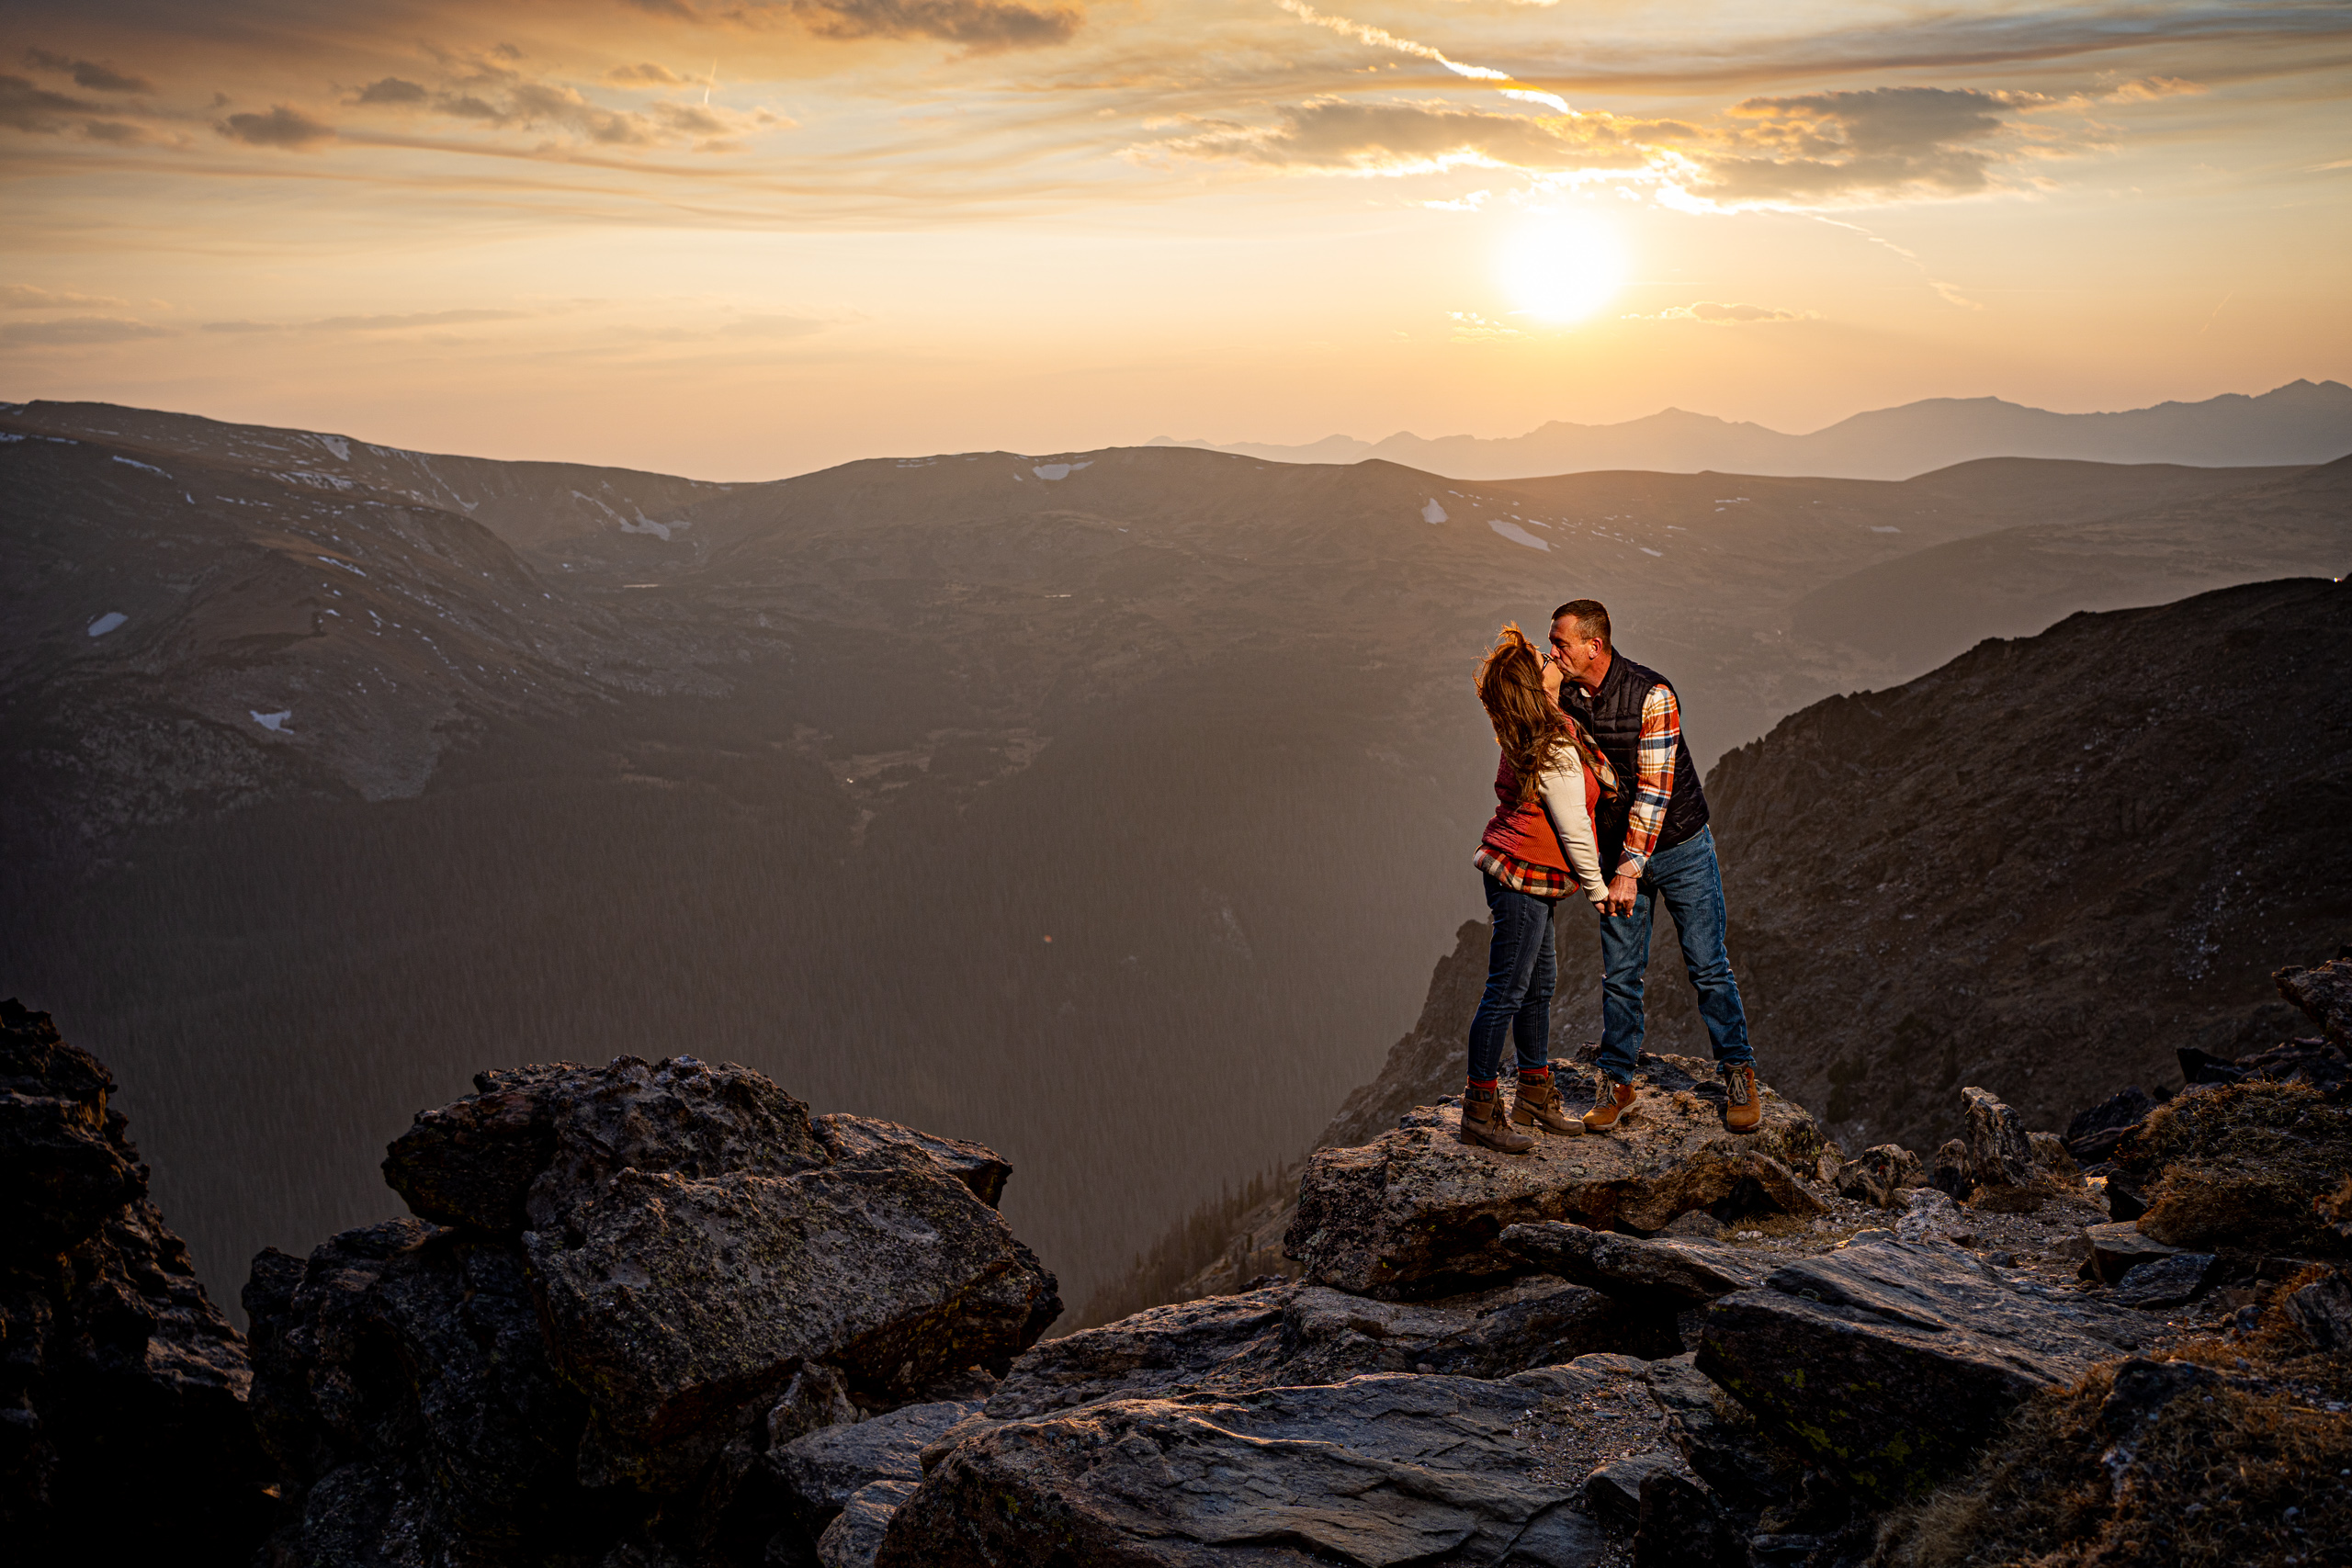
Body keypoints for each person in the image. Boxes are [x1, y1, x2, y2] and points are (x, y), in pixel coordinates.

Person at [1547, 599, 1762, 1134]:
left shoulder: (1652, 694)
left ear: (1594, 645)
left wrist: (1626, 869)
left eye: (1560, 644)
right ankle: (1618, 1084)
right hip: (1620, 853)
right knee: (1620, 975)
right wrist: (1547, 693)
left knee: (1708, 966)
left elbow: (1654, 791)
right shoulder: (1567, 694)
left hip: (1681, 846)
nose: (1553, 652)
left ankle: (1739, 1071)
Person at [1460, 625, 1619, 1153]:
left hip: (1524, 874)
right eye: (1541, 657)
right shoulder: (1552, 743)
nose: (1552, 655)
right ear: (1535, 684)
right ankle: (1480, 1110)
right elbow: (1574, 827)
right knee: (1508, 988)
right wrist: (1599, 892)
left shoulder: (1538, 728)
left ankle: (1533, 1092)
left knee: (1538, 983)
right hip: (1523, 878)